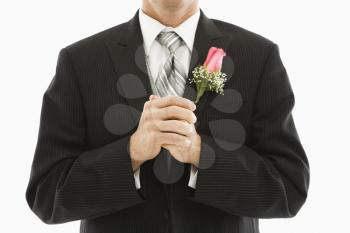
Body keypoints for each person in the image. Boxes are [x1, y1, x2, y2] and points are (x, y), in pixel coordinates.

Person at [25, 0, 310, 232]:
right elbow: (46, 195)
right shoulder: (80, 62)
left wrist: (201, 153)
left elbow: (289, 188)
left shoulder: (258, 57)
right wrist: (131, 154)